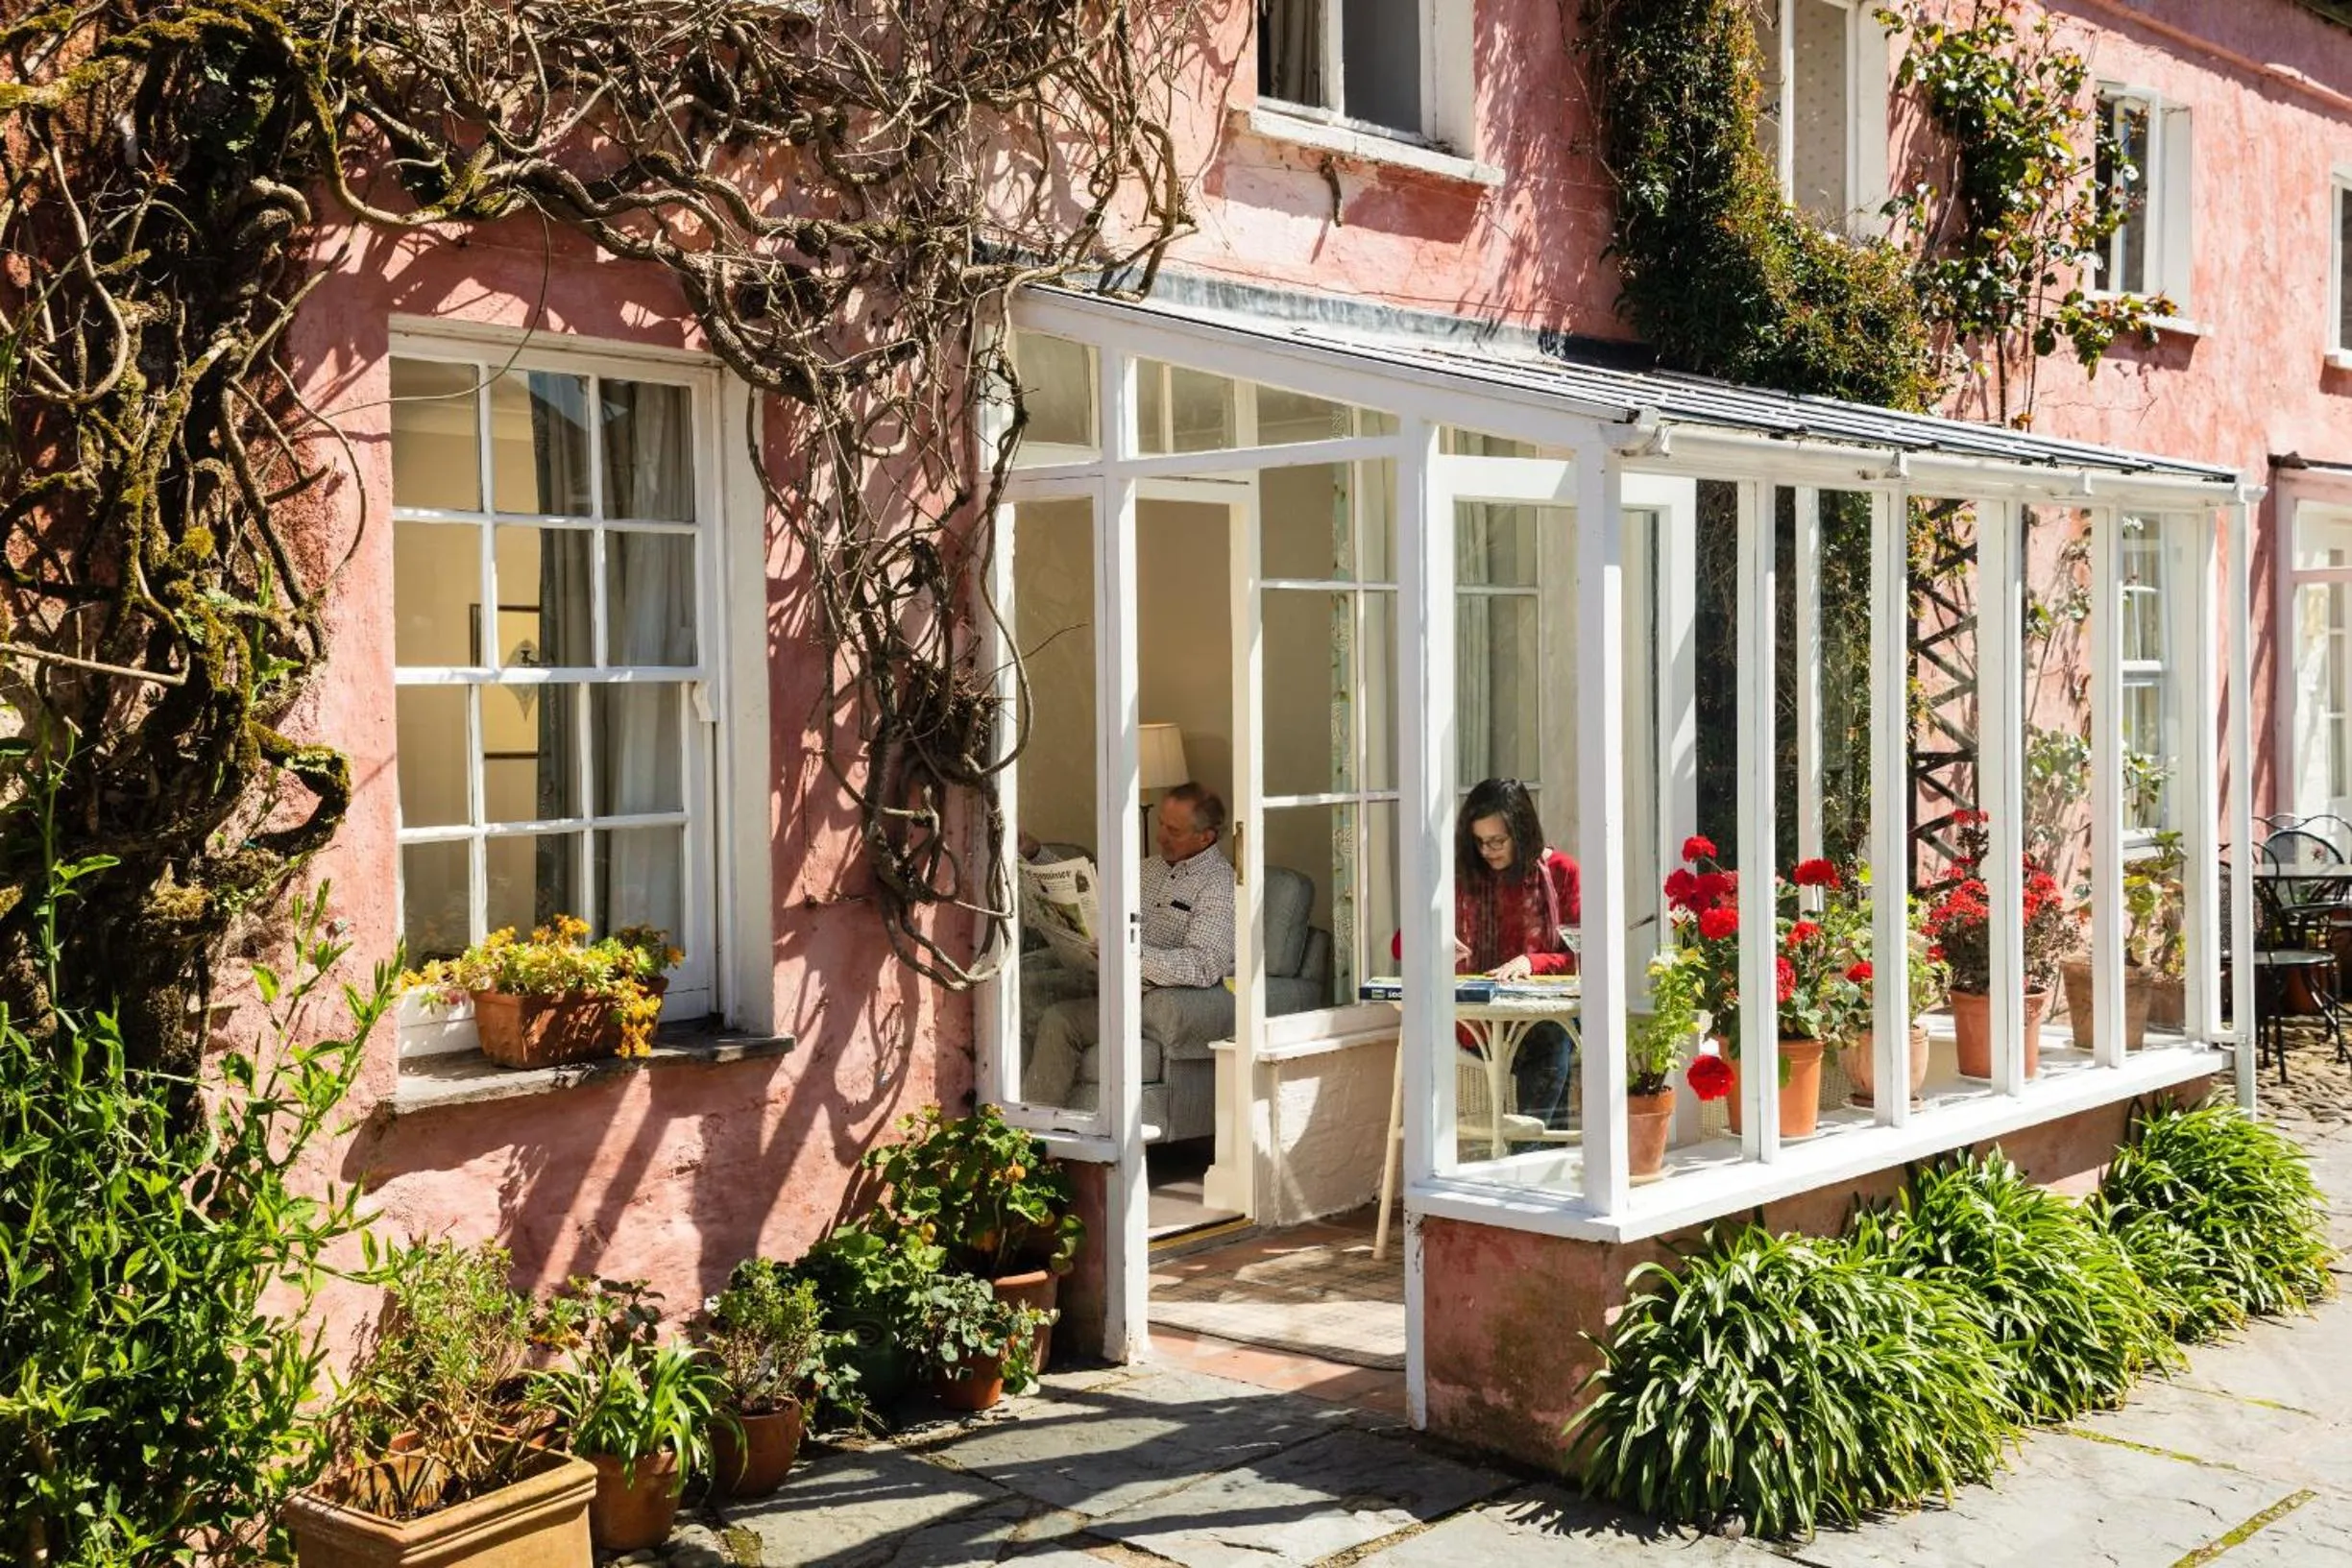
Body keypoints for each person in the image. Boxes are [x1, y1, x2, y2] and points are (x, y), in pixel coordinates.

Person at [1022, 783, 1236, 1108]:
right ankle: (1006, 1109)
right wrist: (1036, 855)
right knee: (1023, 989)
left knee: (1059, 1019)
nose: (1161, 836)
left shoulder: (1219, 885)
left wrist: (1129, 955)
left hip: (1140, 994)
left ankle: (1030, 1134)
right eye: (1161, 823)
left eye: (1173, 830)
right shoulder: (1148, 869)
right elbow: (1087, 898)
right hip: (1097, 975)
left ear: (1205, 837)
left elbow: (1203, 964)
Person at [1403, 778, 1582, 1145]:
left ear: (1522, 832)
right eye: (1479, 842)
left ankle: (1527, 1160)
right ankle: (1534, 1162)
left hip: (1544, 1015)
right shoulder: (1462, 876)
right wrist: (1433, 940)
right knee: (1553, 1045)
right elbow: (1402, 942)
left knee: (1551, 1036)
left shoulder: (1560, 872)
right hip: (1479, 1022)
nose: (1488, 851)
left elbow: (1583, 954)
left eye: (1497, 841)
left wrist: (1533, 963)